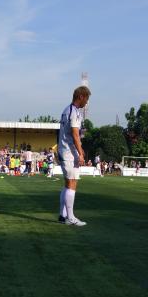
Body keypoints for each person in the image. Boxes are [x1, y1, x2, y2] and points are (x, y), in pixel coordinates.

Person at [57, 85, 91, 226]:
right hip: (69, 152)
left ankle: (62, 214)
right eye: (87, 99)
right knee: (72, 183)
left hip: (65, 150)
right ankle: (70, 218)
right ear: (81, 97)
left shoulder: (67, 109)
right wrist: (81, 153)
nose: (86, 102)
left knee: (67, 183)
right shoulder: (75, 112)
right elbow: (75, 134)